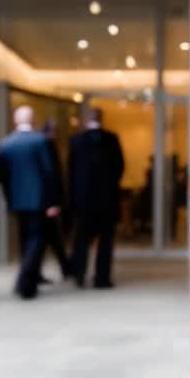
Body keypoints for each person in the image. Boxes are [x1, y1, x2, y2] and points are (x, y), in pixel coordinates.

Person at [0, 105, 63, 299]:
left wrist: (8, 199)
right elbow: (49, 172)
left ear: (15, 121)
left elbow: (3, 177)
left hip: (17, 201)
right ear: (32, 120)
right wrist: (53, 202)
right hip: (39, 201)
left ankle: (29, 281)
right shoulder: (40, 141)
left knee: (25, 240)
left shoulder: (5, 144)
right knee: (37, 240)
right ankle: (25, 282)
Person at [68, 107, 125, 289]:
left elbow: (70, 172)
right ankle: (102, 278)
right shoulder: (112, 139)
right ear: (102, 118)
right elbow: (120, 167)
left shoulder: (76, 141)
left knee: (82, 240)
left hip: (84, 201)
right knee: (106, 241)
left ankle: (79, 274)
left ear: (86, 120)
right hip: (107, 201)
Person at [40, 119, 73, 283]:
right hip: (48, 203)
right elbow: (51, 176)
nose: (57, 134)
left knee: (53, 238)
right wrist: (53, 202)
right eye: (54, 131)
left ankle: (66, 268)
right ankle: (66, 268)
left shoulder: (49, 146)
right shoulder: (46, 147)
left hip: (49, 202)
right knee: (50, 238)